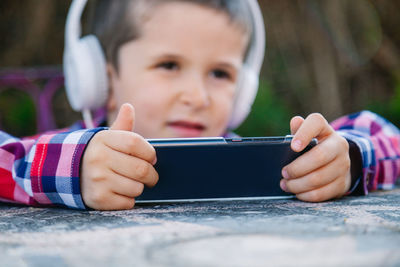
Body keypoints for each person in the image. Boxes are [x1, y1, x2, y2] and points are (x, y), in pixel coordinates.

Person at [0, 0, 399, 211]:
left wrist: (346, 160)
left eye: (221, 74)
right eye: (169, 65)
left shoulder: (270, 165)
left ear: (244, 90)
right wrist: (71, 171)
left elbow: (387, 137)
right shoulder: (66, 155)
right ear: (103, 80)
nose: (198, 96)